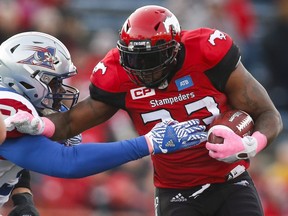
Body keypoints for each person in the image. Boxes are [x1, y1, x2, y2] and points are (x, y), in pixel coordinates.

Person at [7, 5, 283, 216]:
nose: (141, 66)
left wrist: (250, 144)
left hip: (231, 180)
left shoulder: (208, 52)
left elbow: (267, 113)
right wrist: (42, 125)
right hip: (176, 190)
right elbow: (69, 127)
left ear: (175, 49)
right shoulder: (115, 73)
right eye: (133, 57)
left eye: (150, 58)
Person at [0, 31, 206, 215]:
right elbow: (66, 162)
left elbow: (15, 152)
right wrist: (149, 143)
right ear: (22, 79)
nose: (61, 91)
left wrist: (22, 197)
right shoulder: (9, 105)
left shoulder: (15, 109)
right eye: (54, 82)